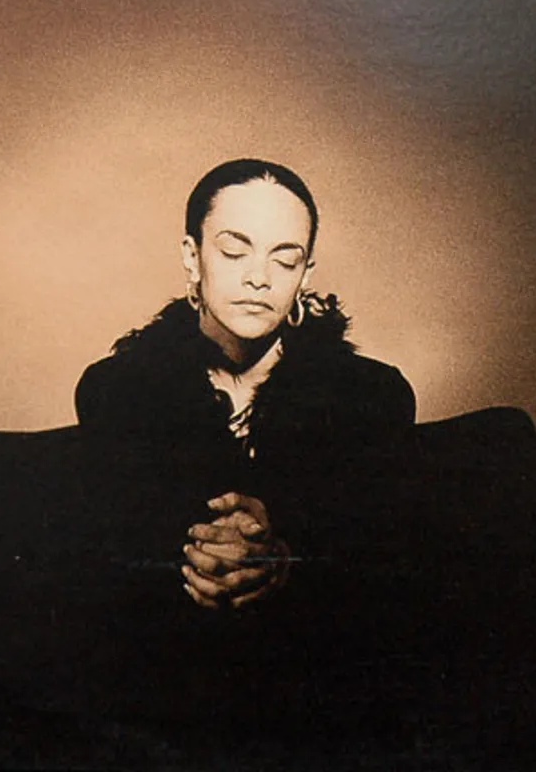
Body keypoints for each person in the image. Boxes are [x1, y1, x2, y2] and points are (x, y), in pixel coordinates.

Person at [72, 158, 418, 745]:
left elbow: (384, 572)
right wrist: (199, 559)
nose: (259, 277)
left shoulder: (373, 397)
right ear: (192, 257)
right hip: (160, 696)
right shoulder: (116, 391)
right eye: (234, 251)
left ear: (306, 274)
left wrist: (288, 556)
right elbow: (110, 563)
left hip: (326, 699)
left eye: (284, 258)